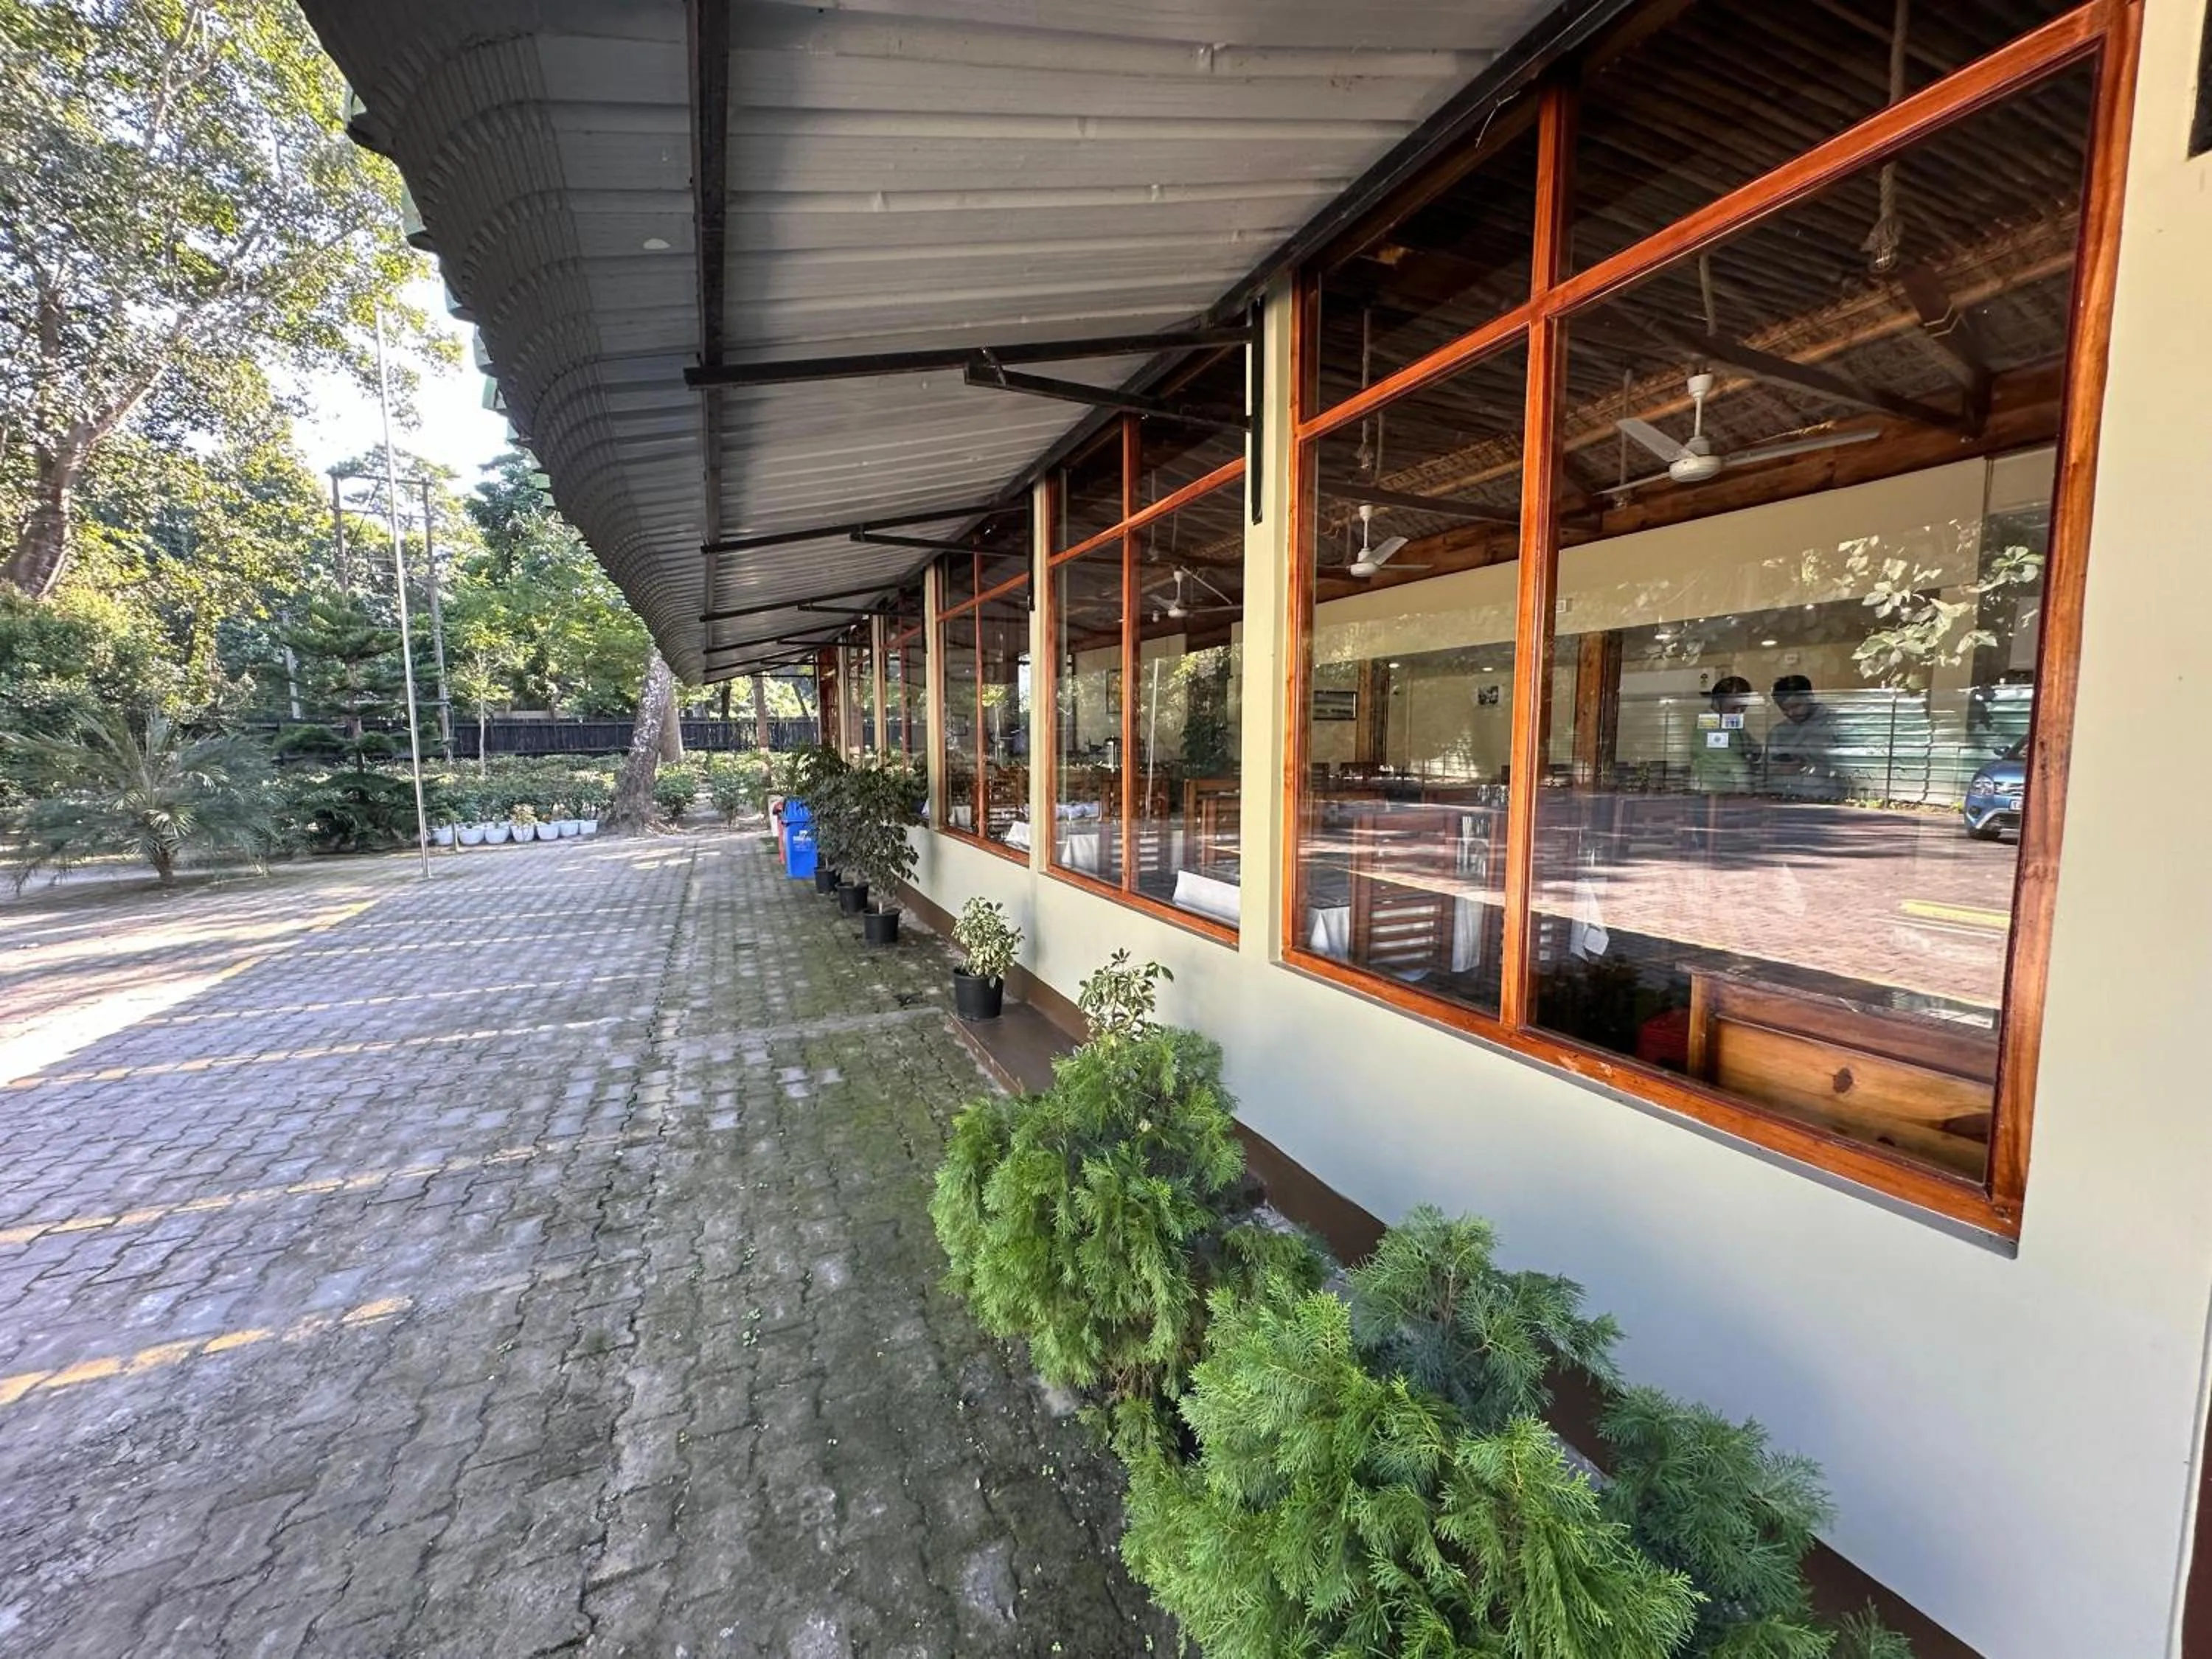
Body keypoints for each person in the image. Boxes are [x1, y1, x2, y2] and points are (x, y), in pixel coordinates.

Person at [1767, 673, 1851, 800]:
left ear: (1810, 697)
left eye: (1796, 706)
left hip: (1827, 798)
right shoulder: (1779, 732)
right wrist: (1778, 769)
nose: (1791, 713)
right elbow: (1766, 768)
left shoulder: (1835, 724)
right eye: (1784, 709)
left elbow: (1850, 765)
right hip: (1786, 798)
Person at [1688, 675, 1760, 793]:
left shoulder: (1729, 718)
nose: (1739, 713)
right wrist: (1746, 792)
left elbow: (1753, 747)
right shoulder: (1708, 722)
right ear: (1716, 702)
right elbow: (1733, 762)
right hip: (1713, 790)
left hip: (1730, 790)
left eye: (1743, 708)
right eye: (1734, 708)